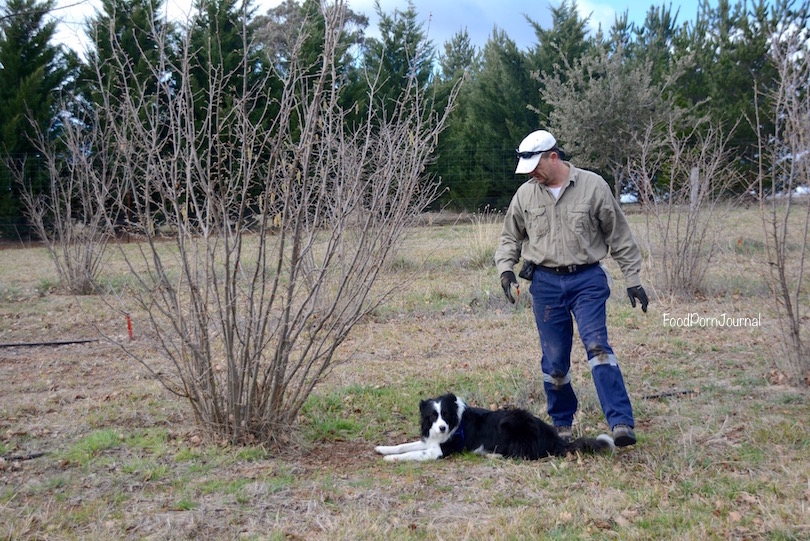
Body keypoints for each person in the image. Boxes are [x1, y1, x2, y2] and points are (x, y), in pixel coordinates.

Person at [494, 129, 648, 447]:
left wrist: (633, 279)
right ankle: (561, 424)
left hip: (587, 280)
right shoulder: (525, 195)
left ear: (554, 157)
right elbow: (510, 237)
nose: (532, 174)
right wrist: (506, 270)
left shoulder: (593, 186)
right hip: (546, 284)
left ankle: (621, 422)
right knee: (554, 361)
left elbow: (618, 235)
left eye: (537, 166)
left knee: (598, 348)